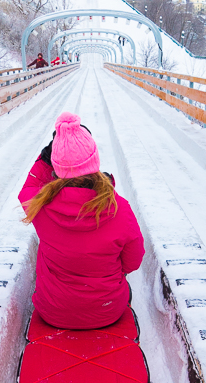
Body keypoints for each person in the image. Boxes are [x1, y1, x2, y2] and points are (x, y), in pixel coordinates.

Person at [19, 112, 144, 330]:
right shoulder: (119, 208)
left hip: (53, 311)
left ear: (56, 168)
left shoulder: (41, 206)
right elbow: (132, 262)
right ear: (94, 162)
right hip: (107, 310)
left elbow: (28, 188)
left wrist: (44, 160)